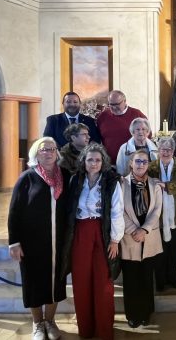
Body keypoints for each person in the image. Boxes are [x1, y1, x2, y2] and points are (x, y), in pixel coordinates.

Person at [8, 137, 70, 340]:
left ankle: (50, 322)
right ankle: (37, 324)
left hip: (58, 242)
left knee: (56, 283)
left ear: (57, 153)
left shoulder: (66, 176)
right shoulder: (27, 178)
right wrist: (14, 242)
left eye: (52, 149)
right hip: (31, 242)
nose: (49, 152)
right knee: (34, 282)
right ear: (36, 153)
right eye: (44, 149)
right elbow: (14, 211)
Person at [63, 144, 124, 340]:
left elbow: (116, 211)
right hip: (81, 233)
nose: (94, 163)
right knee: (81, 281)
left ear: (103, 161)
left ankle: (104, 330)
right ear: (84, 161)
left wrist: (115, 240)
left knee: (103, 282)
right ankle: (86, 329)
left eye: (98, 160)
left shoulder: (111, 182)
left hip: (102, 233)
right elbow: (69, 210)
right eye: (90, 159)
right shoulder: (76, 180)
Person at [120, 150, 163, 332]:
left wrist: (144, 229)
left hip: (149, 237)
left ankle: (146, 313)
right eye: (137, 161)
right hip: (129, 237)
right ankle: (132, 315)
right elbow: (118, 210)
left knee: (146, 278)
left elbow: (157, 211)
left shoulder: (154, 184)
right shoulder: (121, 184)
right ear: (131, 163)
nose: (141, 165)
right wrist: (133, 230)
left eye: (144, 162)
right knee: (131, 280)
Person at [148, 137, 176, 291]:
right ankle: (160, 281)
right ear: (158, 151)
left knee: (174, 250)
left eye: (169, 149)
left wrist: (166, 186)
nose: (165, 152)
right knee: (160, 251)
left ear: (173, 151)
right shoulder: (151, 167)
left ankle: (173, 279)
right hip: (157, 216)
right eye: (163, 149)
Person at [96, 90, 148, 165]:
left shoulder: (137, 114)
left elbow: (147, 136)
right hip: (109, 164)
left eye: (117, 104)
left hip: (132, 163)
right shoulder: (103, 116)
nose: (114, 107)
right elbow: (99, 140)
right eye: (111, 104)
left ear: (125, 101)